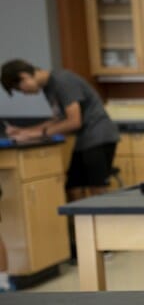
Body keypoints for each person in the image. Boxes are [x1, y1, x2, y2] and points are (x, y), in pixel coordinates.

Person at [1, 60, 120, 201]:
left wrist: (34, 134)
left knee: (97, 188)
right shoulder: (49, 87)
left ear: (24, 76)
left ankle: (103, 222)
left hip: (98, 137)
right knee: (73, 187)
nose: (23, 93)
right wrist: (23, 131)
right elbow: (58, 120)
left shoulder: (62, 81)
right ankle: (80, 222)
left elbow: (74, 121)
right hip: (85, 140)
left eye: (19, 89)